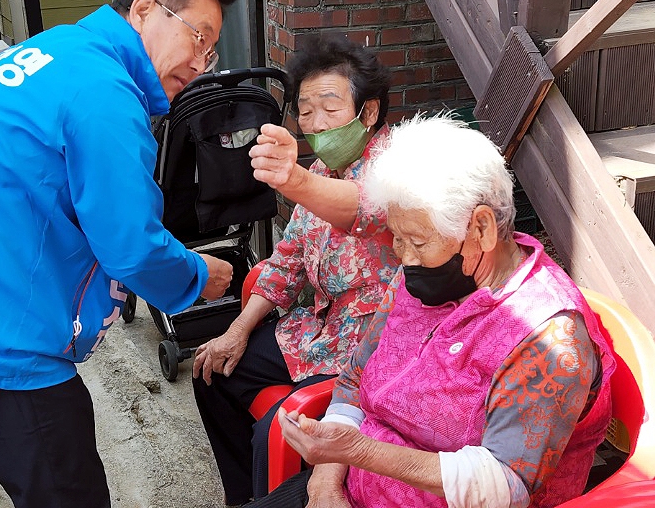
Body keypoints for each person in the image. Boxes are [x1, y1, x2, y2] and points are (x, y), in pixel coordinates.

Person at [0, 0, 236, 508]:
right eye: (199, 37)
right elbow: (131, 246)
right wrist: (195, 276)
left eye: (211, 50)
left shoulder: (63, 51)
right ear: (144, 10)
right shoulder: (104, 93)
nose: (202, 62)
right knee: (67, 493)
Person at [251, 115, 616, 508]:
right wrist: (324, 487)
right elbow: (356, 376)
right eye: (399, 238)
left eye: (418, 242)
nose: (403, 257)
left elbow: (504, 484)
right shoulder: (419, 276)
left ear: (481, 229)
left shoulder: (549, 336)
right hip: (345, 490)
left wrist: (357, 452)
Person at [192, 35, 401, 506]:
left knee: (279, 427)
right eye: (304, 110)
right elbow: (286, 262)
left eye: (329, 107)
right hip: (316, 332)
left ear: (368, 113)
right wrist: (238, 329)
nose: (313, 123)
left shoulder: (398, 170)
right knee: (212, 371)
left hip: (371, 351)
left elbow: (368, 209)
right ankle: (245, 498)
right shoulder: (327, 167)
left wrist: (296, 180)